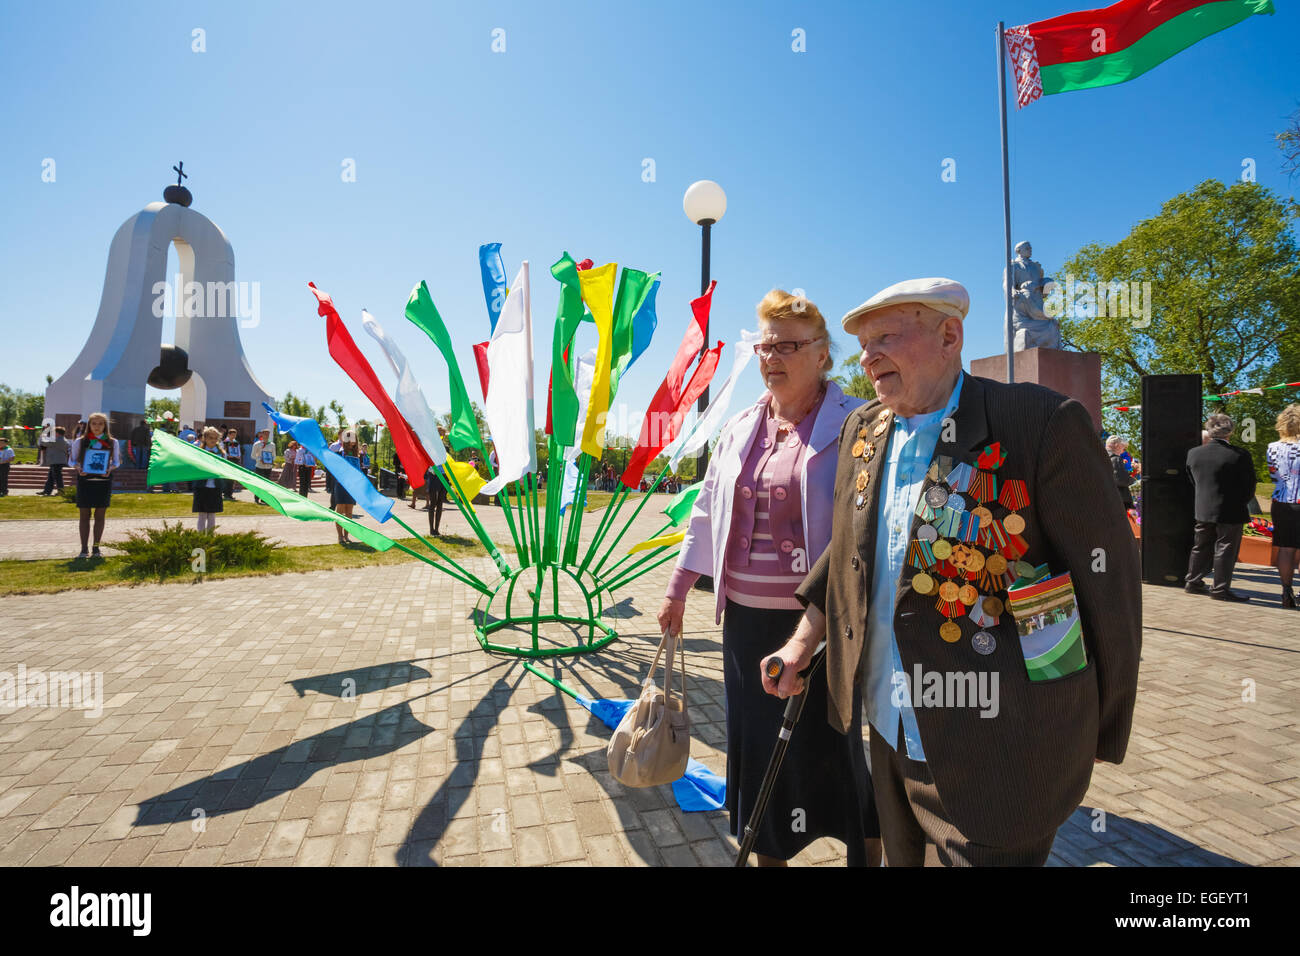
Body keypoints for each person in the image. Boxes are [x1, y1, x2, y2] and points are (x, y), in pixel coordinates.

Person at [764, 276, 1141, 866]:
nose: (868, 358)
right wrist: (802, 643)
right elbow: (848, 548)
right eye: (863, 345)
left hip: (999, 747)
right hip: (888, 727)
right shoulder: (864, 428)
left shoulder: (1039, 424)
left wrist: (1100, 725)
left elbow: (1107, 586)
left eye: (886, 336)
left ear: (950, 335)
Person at [658, 289, 880, 868]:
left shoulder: (859, 421)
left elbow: (867, 520)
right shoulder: (740, 425)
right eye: (765, 344)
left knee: (837, 745)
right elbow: (707, 507)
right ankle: (769, 854)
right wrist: (679, 587)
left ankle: (864, 849)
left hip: (826, 618)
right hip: (747, 623)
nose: (772, 356)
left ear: (823, 354)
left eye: (789, 345)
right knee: (759, 751)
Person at [1184, 413, 1258, 602]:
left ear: (1209, 431)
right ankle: (1220, 588)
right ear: (1230, 431)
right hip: (1231, 509)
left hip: (1203, 507)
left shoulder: (1194, 453)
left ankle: (1193, 581)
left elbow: (1193, 481)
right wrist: (1241, 501)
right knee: (1226, 548)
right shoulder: (1239, 455)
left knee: (1200, 545)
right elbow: (1249, 485)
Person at [69, 412, 122, 558]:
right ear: (89, 425)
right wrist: (78, 468)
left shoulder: (113, 442)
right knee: (84, 515)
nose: (97, 427)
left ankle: (96, 548)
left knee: (100, 515)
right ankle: (84, 548)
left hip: (103, 480)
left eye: (100, 424)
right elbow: (71, 460)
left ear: (105, 426)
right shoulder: (80, 441)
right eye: (94, 423)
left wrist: (110, 468)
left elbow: (117, 461)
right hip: (85, 479)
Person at [1266, 404, 1300, 609]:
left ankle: (1286, 591)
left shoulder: (1273, 447)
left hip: (1281, 501)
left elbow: (1273, 476)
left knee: (1286, 548)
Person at [192, 427, 226, 532]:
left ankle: (211, 536)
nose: (213, 440)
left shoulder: (222, 453)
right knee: (202, 514)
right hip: (201, 486)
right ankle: (201, 536)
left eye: (216, 438)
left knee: (212, 514)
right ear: (205, 438)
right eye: (210, 437)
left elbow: (224, 468)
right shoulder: (199, 451)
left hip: (215, 486)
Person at [331, 434, 363, 544]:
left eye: (354, 439)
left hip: (352, 486)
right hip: (341, 485)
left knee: (349, 512)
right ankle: (340, 537)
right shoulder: (340, 452)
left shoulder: (357, 455)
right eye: (350, 439)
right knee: (340, 509)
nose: (352, 441)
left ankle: (346, 536)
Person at [1106, 436, 1139, 511]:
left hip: (1108, 497)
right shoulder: (1116, 459)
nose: (1123, 451)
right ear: (1117, 445)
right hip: (1120, 500)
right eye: (1123, 448)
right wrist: (1134, 480)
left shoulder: (1102, 456)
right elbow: (1121, 480)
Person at [38, 425, 70, 495]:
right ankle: (47, 491)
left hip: (56, 461)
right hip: (58, 460)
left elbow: (44, 443)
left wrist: (43, 434)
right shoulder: (64, 439)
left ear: (57, 433)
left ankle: (61, 492)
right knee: (51, 477)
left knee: (57, 477)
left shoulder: (57, 440)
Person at [250, 428, 275, 505]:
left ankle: (264, 499)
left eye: (268, 434)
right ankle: (256, 498)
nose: (266, 435)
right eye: (265, 433)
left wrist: (271, 460)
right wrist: (259, 459)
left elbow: (274, 455)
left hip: (268, 467)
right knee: (259, 483)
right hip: (259, 466)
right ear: (262, 434)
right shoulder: (257, 444)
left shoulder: (272, 445)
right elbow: (253, 455)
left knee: (267, 484)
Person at [425, 464, 449, 535]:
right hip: (433, 474)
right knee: (433, 503)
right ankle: (431, 529)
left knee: (440, 503)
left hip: (444, 475)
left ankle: (436, 529)